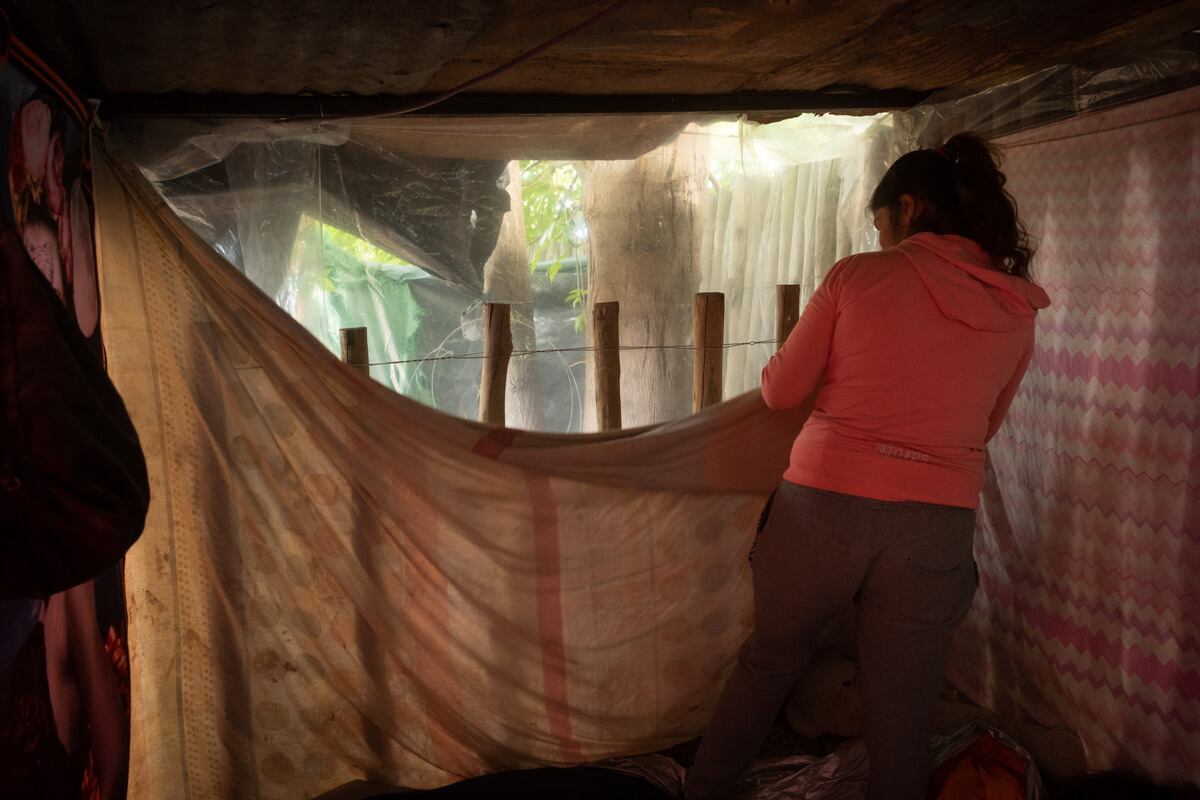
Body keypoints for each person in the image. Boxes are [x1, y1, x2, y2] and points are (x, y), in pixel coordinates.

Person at [684, 132, 1050, 800]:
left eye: (882, 223)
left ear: (907, 208)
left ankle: (702, 792)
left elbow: (779, 392)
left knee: (768, 665)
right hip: (936, 529)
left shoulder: (858, 276)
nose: (881, 238)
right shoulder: (1016, 311)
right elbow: (985, 428)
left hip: (822, 510)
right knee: (902, 708)